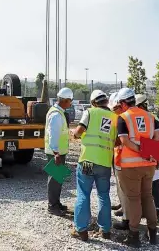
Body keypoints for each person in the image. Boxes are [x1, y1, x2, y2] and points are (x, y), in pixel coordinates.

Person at [117, 88, 159, 247]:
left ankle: (134, 236)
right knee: (148, 197)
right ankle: (153, 233)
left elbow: (124, 140)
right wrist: (151, 155)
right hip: (149, 165)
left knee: (134, 199)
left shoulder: (123, 118)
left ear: (123, 103)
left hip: (131, 166)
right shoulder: (151, 117)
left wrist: (141, 152)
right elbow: (157, 138)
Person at [71, 90, 118, 241]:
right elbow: (116, 141)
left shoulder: (89, 112)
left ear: (93, 102)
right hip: (104, 162)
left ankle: (81, 230)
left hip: (87, 161)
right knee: (103, 195)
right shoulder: (115, 117)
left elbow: (79, 131)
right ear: (105, 101)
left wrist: (75, 134)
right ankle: (105, 230)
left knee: (84, 193)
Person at [44, 87, 73, 216]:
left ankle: (56, 203)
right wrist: (56, 153)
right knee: (54, 179)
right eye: (70, 101)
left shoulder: (59, 112)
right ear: (65, 100)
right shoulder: (56, 114)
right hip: (55, 152)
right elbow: (53, 134)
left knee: (58, 178)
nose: (71, 103)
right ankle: (52, 206)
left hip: (59, 152)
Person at [135, 94, 159, 224]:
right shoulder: (141, 117)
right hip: (146, 155)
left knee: (155, 184)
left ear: (142, 105)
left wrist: (156, 159)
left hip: (154, 154)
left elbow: (158, 140)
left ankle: (157, 211)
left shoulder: (153, 119)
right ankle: (147, 211)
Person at [109, 93, 130, 231]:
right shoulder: (125, 116)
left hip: (125, 159)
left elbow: (120, 139)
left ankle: (127, 220)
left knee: (127, 190)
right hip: (126, 158)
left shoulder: (124, 118)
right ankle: (125, 209)